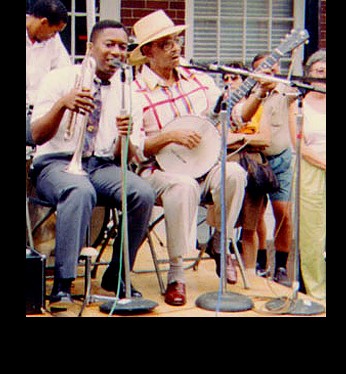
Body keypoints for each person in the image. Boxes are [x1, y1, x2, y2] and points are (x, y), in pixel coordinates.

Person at [29, 19, 156, 309]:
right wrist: (63, 104)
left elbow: (125, 155)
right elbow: (36, 135)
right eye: (109, 44)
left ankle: (118, 273)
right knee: (80, 190)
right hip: (55, 162)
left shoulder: (129, 91)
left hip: (100, 164)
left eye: (123, 46)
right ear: (91, 48)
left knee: (142, 192)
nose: (117, 51)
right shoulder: (60, 78)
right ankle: (63, 282)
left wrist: (125, 135)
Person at [127, 10, 247, 306]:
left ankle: (221, 242)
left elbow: (232, 116)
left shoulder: (199, 80)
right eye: (166, 44)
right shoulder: (134, 92)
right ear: (147, 52)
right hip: (156, 173)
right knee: (182, 185)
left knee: (234, 173)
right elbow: (135, 148)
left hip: (203, 168)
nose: (176, 48)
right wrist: (170, 136)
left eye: (176, 41)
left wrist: (258, 95)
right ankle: (176, 273)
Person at [230, 53, 298, 287]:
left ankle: (281, 266)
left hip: (281, 160)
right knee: (256, 216)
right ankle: (260, 262)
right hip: (256, 163)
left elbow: (293, 94)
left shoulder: (285, 92)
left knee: (283, 213)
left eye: (273, 70)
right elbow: (240, 118)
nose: (270, 74)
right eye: (264, 70)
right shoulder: (247, 99)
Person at [297, 49, 326, 301]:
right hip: (312, 171)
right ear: (308, 76)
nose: (324, 77)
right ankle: (318, 291)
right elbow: (300, 147)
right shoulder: (299, 105)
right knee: (313, 233)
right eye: (319, 72)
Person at [26, 0, 70, 145]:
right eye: (54, 31)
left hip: (38, 111)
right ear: (43, 22)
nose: (54, 35)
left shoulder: (54, 41)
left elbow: (64, 72)